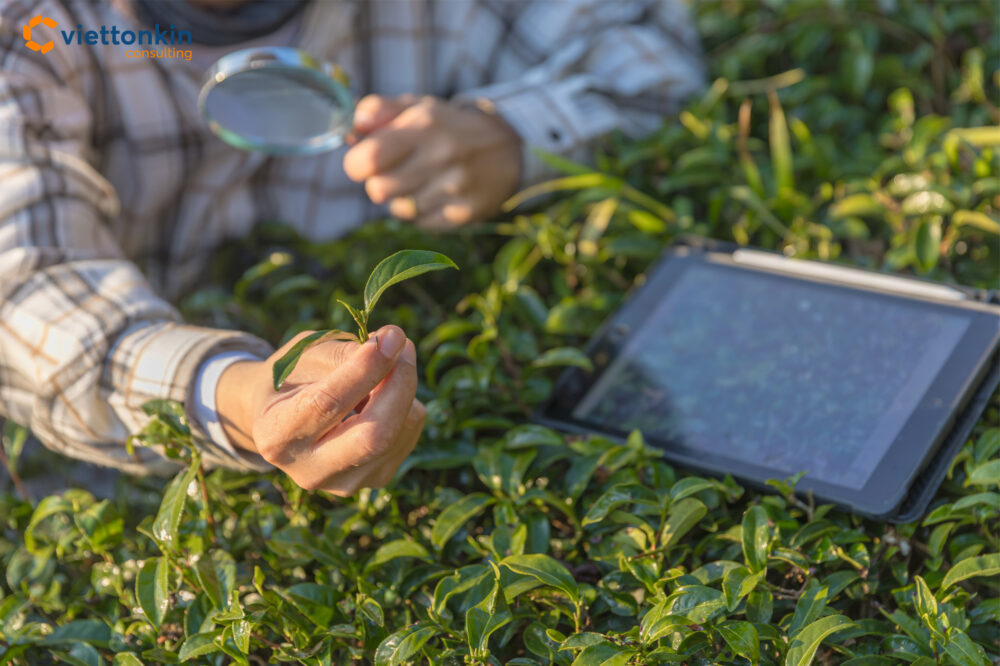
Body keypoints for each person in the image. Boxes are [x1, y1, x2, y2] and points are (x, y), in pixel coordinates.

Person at [0, 0, 704, 495]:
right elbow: (26, 285)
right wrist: (235, 393)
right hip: (73, 479)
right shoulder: (27, 29)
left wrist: (511, 137)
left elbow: (655, 59)